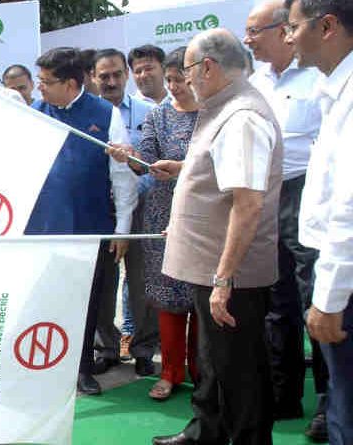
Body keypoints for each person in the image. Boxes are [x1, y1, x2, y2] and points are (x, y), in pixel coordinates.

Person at [150, 29, 283, 445]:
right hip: (210, 266)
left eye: (187, 71)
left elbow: (247, 205)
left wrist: (224, 280)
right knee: (215, 362)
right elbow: (220, 180)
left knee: (239, 372)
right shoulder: (224, 108)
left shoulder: (241, 117)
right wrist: (184, 170)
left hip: (228, 275)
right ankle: (206, 432)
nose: (185, 81)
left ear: (206, 67)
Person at [26, 47, 137, 396]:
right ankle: (46, 368)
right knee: (47, 302)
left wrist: (122, 229)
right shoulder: (35, 114)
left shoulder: (106, 115)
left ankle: (83, 368)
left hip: (90, 228)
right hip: (43, 231)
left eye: (46, 81)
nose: (40, 87)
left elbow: (122, 177)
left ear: (71, 83)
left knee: (87, 304)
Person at [243, 0, 328, 431]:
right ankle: (284, 393)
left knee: (316, 292)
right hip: (263, 193)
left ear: (282, 31)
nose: (248, 40)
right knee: (275, 300)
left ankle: (329, 403)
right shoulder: (253, 82)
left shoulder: (319, 76)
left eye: (255, 31)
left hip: (306, 190)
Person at [109, 47, 200, 401]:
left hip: (205, 215)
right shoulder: (159, 114)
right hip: (164, 216)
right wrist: (128, 155)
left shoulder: (215, 113)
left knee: (203, 299)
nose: (175, 86)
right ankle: (171, 371)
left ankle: (202, 370)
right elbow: (144, 160)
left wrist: (184, 167)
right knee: (168, 296)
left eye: (181, 79)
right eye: (173, 80)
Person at [285, 1, 353, 443]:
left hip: (344, 281)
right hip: (338, 273)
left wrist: (328, 297)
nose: (288, 37)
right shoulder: (335, 89)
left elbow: (349, 206)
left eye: (292, 27)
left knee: (347, 409)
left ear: (326, 26)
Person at [92, 48, 157, 377]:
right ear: (93, 78)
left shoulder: (149, 112)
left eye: (117, 74)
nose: (111, 81)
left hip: (143, 207)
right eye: (104, 76)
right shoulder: (92, 115)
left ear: (127, 75)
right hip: (102, 208)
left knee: (142, 279)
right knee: (102, 282)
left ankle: (145, 348)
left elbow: (150, 165)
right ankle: (107, 346)